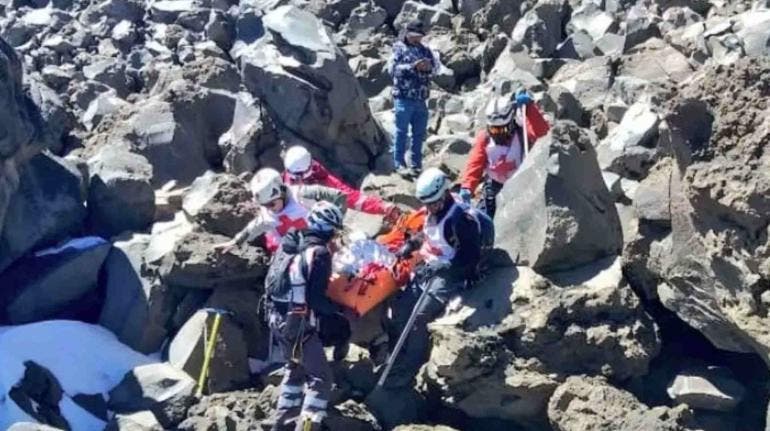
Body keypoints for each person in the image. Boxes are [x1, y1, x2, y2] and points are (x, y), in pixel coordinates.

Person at [382, 168, 481, 390]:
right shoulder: (431, 212)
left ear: (444, 193)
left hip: (451, 273)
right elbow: (428, 235)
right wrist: (412, 245)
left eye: (433, 202)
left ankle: (410, 366)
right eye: (427, 203)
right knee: (400, 307)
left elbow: (470, 256)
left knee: (419, 316)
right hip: (429, 265)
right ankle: (396, 354)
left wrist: (445, 265)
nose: (429, 207)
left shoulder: (461, 219)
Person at [267, 202, 345, 431]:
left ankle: (282, 424)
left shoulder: (291, 240)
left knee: (295, 370)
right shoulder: (319, 253)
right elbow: (316, 299)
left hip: (275, 318)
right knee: (321, 380)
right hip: (298, 324)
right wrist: (339, 312)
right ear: (329, 229)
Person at [459, 91, 550, 218]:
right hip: (494, 186)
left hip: (521, 185)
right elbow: (475, 163)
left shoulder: (522, 133)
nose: (497, 133)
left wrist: (530, 109)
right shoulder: (484, 138)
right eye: (494, 129)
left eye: (502, 129)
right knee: (483, 217)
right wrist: (467, 187)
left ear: (511, 123)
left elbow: (544, 134)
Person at [214, 168, 346, 254]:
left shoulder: (301, 194)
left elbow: (339, 196)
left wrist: (337, 220)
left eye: (272, 203)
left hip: (324, 243)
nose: (269, 208)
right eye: (265, 205)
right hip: (299, 255)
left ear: (281, 192)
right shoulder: (268, 216)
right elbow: (252, 228)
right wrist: (235, 242)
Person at [282, 145, 401, 222]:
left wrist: (383, 207)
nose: (297, 180)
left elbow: (348, 196)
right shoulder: (288, 191)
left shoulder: (318, 174)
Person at [388, 20, 435, 177]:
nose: (417, 39)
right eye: (415, 36)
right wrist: (413, 66)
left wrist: (428, 67)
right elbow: (393, 69)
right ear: (407, 34)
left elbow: (434, 69)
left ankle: (416, 165)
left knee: (419, 133)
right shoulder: (398, 49)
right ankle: (399, 163)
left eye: (420, 36)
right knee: (401, 132)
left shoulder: (425, 51)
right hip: (403, 97)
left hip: (421, 98)